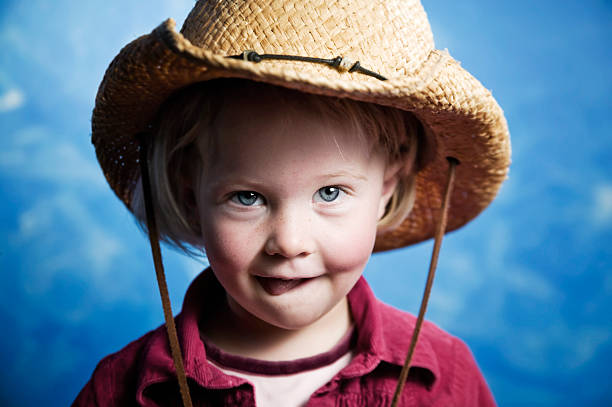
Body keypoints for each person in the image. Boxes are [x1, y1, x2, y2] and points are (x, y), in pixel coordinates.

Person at [74, 0, 510, 406]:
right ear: (191, 197)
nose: (289, 242)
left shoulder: (444, 377)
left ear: (387, 190)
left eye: (330, 193)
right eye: (247, 198)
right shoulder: (122, 389)